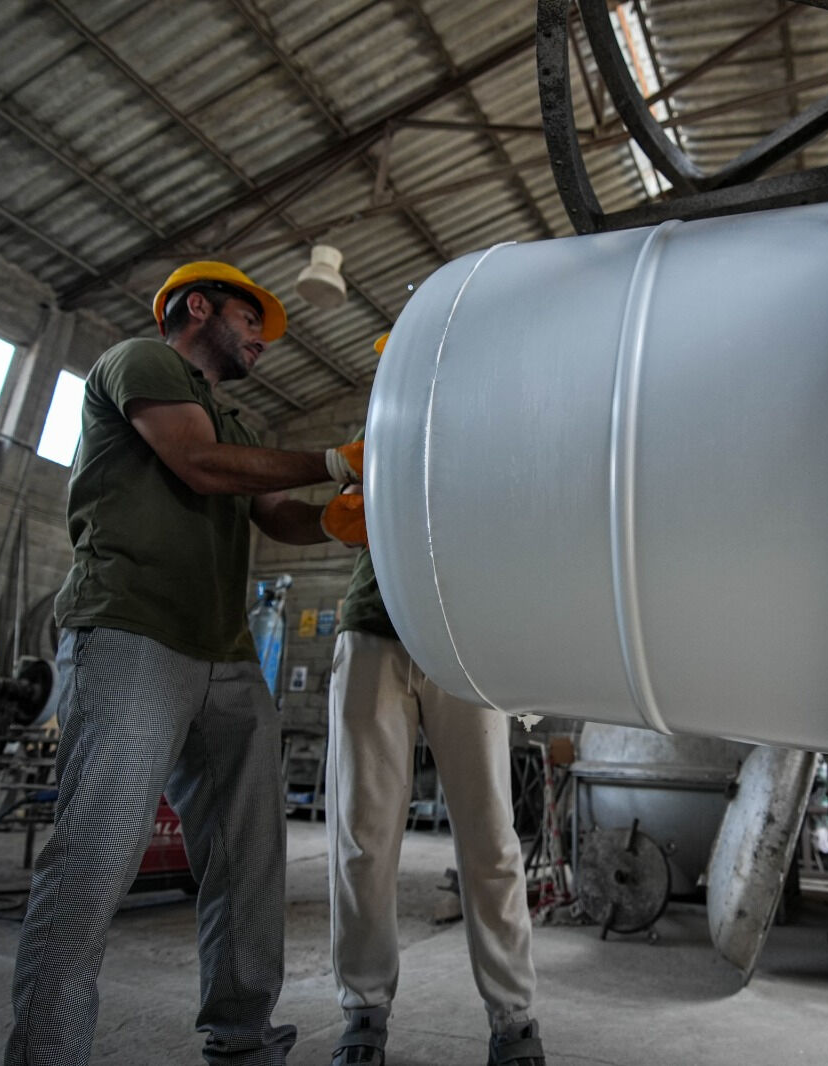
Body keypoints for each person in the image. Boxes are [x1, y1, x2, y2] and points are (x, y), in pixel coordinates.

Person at [6, 261, 362, 1066]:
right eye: (251, 321)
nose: (263, 341)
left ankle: (243, 1040)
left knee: (249, 856)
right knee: (96, 853)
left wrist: (347, 518)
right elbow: (198, 464)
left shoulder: (241, 427)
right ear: (198, 306)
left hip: (225, 653)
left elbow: (278, 514)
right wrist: (337, 461)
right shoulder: (141, 361)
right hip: (132, 631)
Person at [323, 335, 546, 1066]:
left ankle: (514, 1020)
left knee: (491, 839)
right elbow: (348, 512)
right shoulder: (382, 424)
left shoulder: (499, 427)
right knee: (363, 837)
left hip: (464, 641)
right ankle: (363, 1010)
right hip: (374, 630)